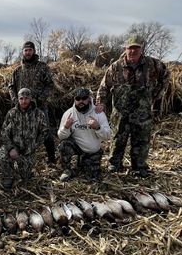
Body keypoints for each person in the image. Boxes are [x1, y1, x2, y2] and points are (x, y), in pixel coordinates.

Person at [96, 36, 170, 177]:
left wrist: (157, 94)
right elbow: (104, 87)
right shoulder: (116, 67)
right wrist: (100, 103)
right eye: (130, 48)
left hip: (142, 112)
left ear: (141, 49)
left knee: (141, 140)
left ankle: (139, 166)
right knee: (118, 138)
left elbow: (166, 75)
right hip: (121, 112)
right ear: (126, 49)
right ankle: (114, 164)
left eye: (136, 48)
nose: (133, 51)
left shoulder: (152, 64)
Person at [9, 41, 56, 164]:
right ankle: (22, 160)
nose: (28, 52)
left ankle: (52, 159)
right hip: (22, 108)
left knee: (46, 132)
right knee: (21, 133)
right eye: (26, 50)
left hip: (40, 107)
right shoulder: (17, 70)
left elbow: (50, 84)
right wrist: (15, 100)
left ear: (34, 51)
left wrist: (41, 99)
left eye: (30, 50)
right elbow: (11, 87)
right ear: (23, 52)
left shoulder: (42, 67)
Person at [0, 88, 48, 189]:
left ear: (31, 98)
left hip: (29, 150)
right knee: (0, 156)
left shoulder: (38, 114)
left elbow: (45, 131)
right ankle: (8, 176)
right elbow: (4, 132)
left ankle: (25, 170)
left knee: (25, 177)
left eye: (26, 98)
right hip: (15, 146)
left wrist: (35, 145)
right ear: (18, 99)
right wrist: (10, 148)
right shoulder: (12, 113)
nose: (24, 101)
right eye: (21, 98)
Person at [57, 88, 111, 181]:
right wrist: (66, 127)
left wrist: (98, 127)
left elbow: (108, 136)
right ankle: (67, 170)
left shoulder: (98, 113)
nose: (81, 101)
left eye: (84, 98)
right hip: (77, 146)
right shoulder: (68, 114)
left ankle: (82, 162)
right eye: (78, 99)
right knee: (64, 144)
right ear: (74, 100)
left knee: (92, 178)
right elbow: (61, 136)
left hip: (92, 151)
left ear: (89, 99)